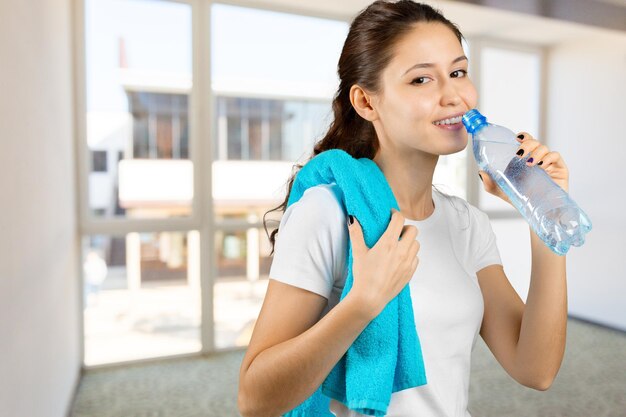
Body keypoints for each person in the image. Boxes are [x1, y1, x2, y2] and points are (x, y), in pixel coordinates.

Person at [238, 1, 569, 416]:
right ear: (366, 102)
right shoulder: (328, 213)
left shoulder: (467, 225)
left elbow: (535, 369)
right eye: (421, 79)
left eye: (458, 72)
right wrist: (362, 303)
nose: (453, 96)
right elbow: (255, 400)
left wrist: (545, 217)